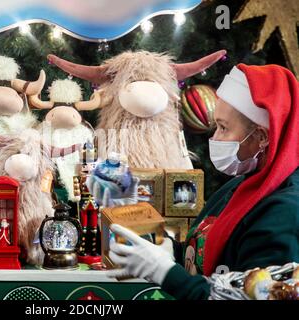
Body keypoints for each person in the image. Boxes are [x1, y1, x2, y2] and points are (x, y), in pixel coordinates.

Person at [98, 64, 299, 299]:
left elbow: (242, 295)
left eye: (224, 128)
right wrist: (168, 248)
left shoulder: (284, 212)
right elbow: (204, 249)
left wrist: (165, 272)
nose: (214, 138)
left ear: (262, 137)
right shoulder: (240, 186)